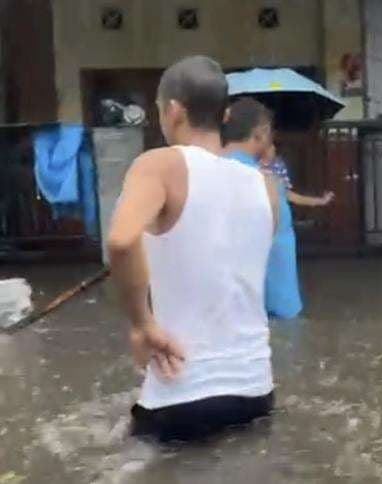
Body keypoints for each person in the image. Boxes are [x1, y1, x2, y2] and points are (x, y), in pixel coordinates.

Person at [108, 56, 280, 442]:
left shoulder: (159, 165)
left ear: (172, 111)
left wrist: (142, 325)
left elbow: (121, 241)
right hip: (255, 390)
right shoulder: (265, 185)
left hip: (181, 394)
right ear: (226, 113)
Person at [223, 98, 303, 320]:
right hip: (272, 302)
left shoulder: (202, 172)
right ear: (261, 133)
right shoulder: (262, 181)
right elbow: (272, 238)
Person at [261, 143, 334, 208]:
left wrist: (321, 201)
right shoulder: (254, 170)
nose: (274, 148)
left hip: (282, 216)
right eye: (270, 146)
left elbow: (290, 195)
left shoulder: (279, 166)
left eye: (272, 145)